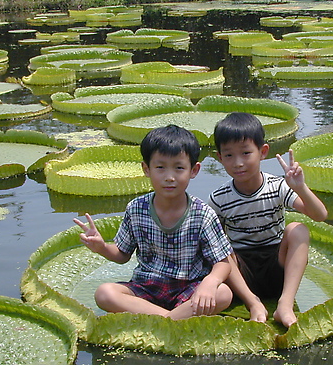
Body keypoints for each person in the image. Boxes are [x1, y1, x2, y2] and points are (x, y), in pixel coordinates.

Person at [74, 125, 233, 320]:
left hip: (189, 288)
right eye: (160, 167)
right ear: (146, 169)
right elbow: (122, 254)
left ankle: (162, 320)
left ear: (194, 170)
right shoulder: (136, 208)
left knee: (223, 292)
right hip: (146, 288)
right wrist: (101, 247)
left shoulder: (203, 214)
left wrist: (210, 282)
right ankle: (173, 320)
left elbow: (223, 263)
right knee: (104, 293)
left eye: (179, 168)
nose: (169, 177)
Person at [209, 112, 328, 328]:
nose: (238, 163)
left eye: (246, 153)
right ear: (219, 158)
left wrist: (299, 186)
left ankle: (285, 304)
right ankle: (252, 302)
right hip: (241, 275)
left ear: (263, 152)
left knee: (298, 229)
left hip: (277, 265)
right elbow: (211, 243)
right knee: (219, 246)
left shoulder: (278, 186)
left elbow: (320, 215)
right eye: (229, 156)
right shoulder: (219, 198)